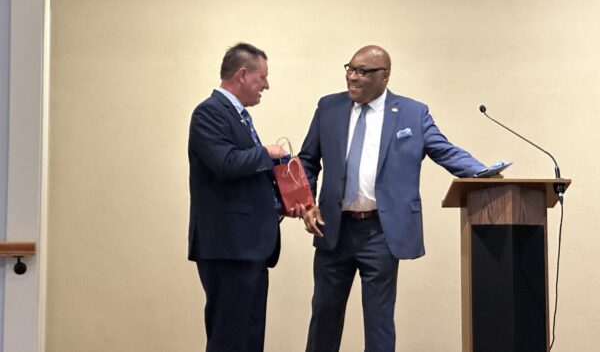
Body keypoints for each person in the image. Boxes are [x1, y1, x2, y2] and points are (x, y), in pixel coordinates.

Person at [298, 45, 487, 352]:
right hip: (334, 228)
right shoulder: (328, 107)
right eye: (349, 68)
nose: (352, 77)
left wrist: (485, 173)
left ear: (384, 76)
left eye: (362, 71)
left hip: (381, 233)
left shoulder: (412, 113)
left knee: (379, 321)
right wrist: (307, 203)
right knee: (324, 316)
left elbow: (445, 151)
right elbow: (307, 160)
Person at [187, 42, 289, 352]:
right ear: (242, 75)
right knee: (229, 338)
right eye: (262, 77)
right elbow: (225, 163)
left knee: (250, 337)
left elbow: (246, 175)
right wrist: (267, 153)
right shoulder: (209, 112)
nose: (266, 86)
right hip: (228, 247)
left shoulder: (239, 116)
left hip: (250, 248)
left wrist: (281, 200)